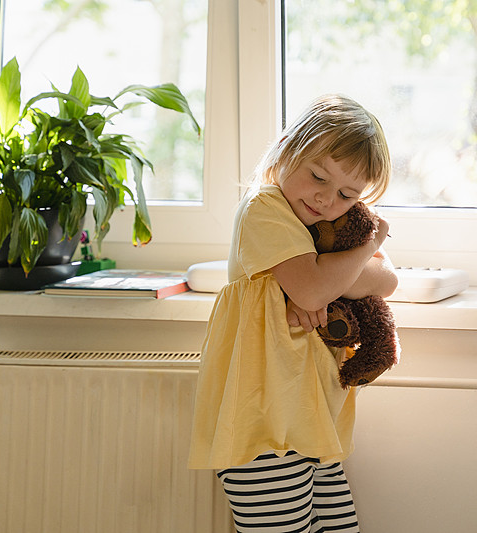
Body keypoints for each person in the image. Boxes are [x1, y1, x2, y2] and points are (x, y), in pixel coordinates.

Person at [189, 94, 397, 533]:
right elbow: (313, 287)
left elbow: (386, 281)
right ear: (286, 150)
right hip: (263, 425)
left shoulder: (322, 233)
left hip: (307, 421)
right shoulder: (265, 207)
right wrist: (368, 248)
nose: (326, 199)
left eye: (347, 194)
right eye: (317, 176)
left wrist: (338, 273)